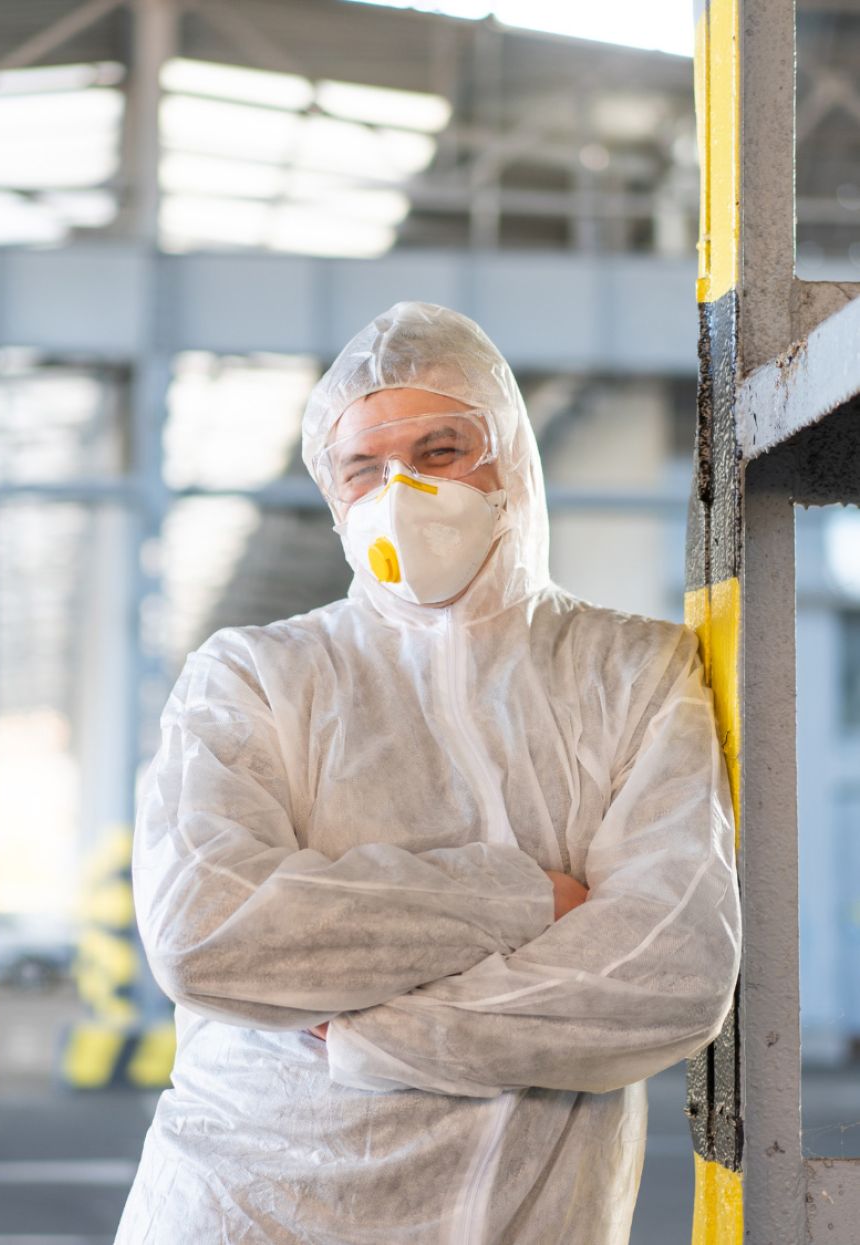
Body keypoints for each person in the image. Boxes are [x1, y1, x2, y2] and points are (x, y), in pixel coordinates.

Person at [115, 301, 741, 1245]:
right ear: (335, 497)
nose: (400, 492)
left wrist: (370, 1031)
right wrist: (528, 900)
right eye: (364, 468)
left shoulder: (636, 672)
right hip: (243, 1207)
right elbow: (208, 930)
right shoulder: (255, 676)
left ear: (512, 468)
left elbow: (669, 970)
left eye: (441, 450)